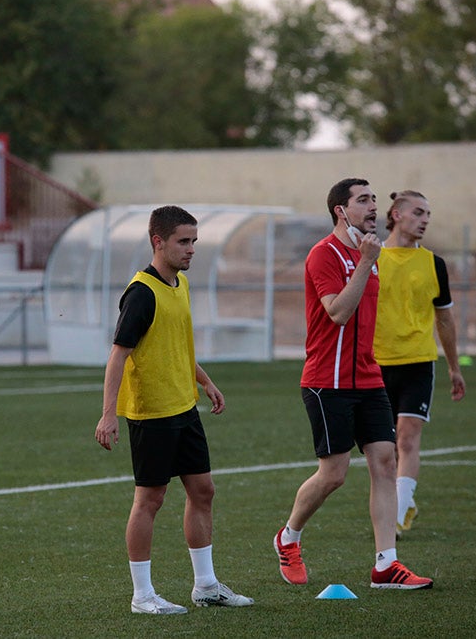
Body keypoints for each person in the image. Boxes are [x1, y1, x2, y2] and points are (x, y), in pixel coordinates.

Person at [273, 178, 433, 590]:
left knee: (385, 461)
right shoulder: (323, 255)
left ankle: (386, 565)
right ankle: (288, 537)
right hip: (327, 382)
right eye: (363, 200)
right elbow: (338, 313)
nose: (373, 207)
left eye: (374, 199)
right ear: (339, 211)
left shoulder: (372, 254)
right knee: (334, 474)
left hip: (368, 376)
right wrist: (364, 262)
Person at [95, 205, 254, 615]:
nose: (191, 250)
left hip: (184, 406)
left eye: (194, 242)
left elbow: (176, 344)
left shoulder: (179, 284)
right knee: (150, 498)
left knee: (203, 490)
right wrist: (108, 413)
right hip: (153, 412)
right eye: (184, 242)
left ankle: (205, 586)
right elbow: (118, 355)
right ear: (158, 242)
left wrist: (205, 381)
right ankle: (142, 596)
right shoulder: (141, 293)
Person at [373, 190, 467, 539]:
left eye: (428, 213)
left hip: (418, 363)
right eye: (418, 212)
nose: (425, 219)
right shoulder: (371, 258)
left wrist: (454, 367)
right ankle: (389, 504)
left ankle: (398, 512)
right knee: (382, 446)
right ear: (396, 214)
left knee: (408, 439)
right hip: (375, 363)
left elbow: (445, 319)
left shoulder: (434, 264)